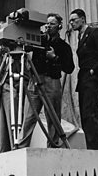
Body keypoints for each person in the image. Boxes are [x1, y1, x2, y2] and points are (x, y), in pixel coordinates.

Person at [18, 13, 74, 148]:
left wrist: (55, 58)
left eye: (52, 24)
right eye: (47, 23)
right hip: (35, 80)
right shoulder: (38, 39)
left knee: (53, 117)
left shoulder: (64, 46)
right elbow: (25, 46)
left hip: (52, 81)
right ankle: (22, 146)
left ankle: (53, 146)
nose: (48, 26)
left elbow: (69, 68)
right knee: (29, 117)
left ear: (59, 26)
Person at [69, 9, 98, 150]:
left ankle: (95, 147)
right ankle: (91, 146)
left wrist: (94, 70)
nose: (72, 23)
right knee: (85, 114)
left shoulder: (94, 33)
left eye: (74, 20)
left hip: (92, 78)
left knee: (90, 112)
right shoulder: (80, 37)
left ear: (82, 19)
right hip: (84, 79)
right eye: (70, 21)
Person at [0, 21, 28, 152]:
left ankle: (16, 148)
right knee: (2, 129)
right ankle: (5, 151)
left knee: (13, 123)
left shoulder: (16, 52)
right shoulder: (1, 54)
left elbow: (23, 71)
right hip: (1, 90)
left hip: (12, 88)